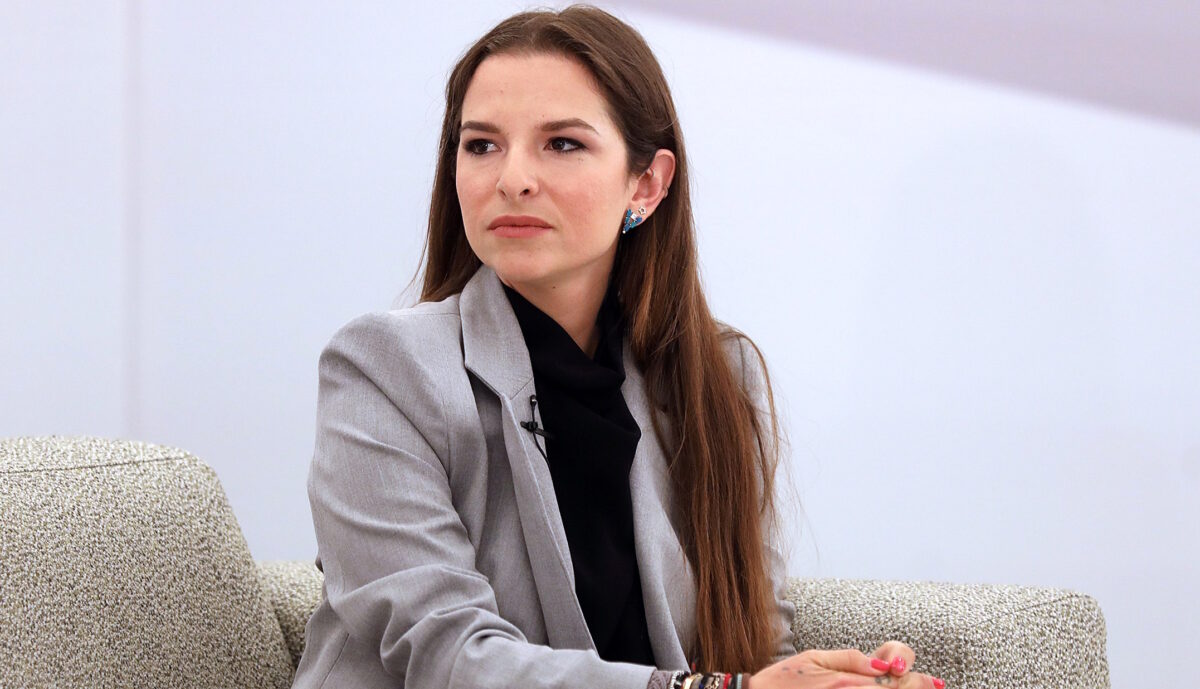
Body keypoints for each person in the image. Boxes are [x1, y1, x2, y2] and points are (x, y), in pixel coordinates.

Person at [293, 5, 945, 689]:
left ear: (647, 183)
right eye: (481, 145)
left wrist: (843, 680)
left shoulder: (719, 376)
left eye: (561, 143)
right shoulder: (383, 368)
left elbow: (750, 642)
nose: (512, 178)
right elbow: (446, 654)